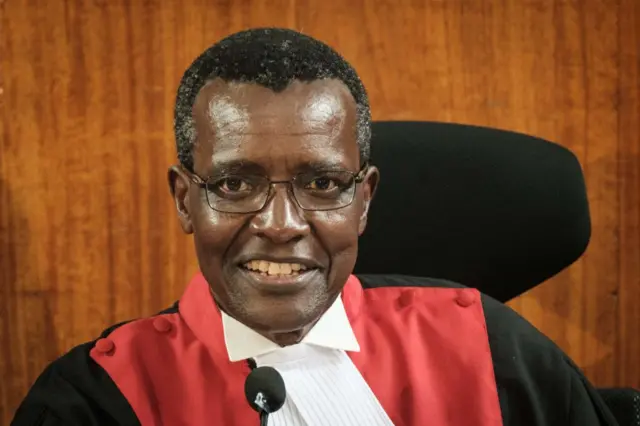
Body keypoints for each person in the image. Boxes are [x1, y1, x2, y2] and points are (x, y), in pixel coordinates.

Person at [11, 28, 619, 426]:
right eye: (234, 185)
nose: (280, 225)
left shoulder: (491, 344)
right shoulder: (94, 400)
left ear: (364, 199)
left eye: (323, 185)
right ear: (184, 201)